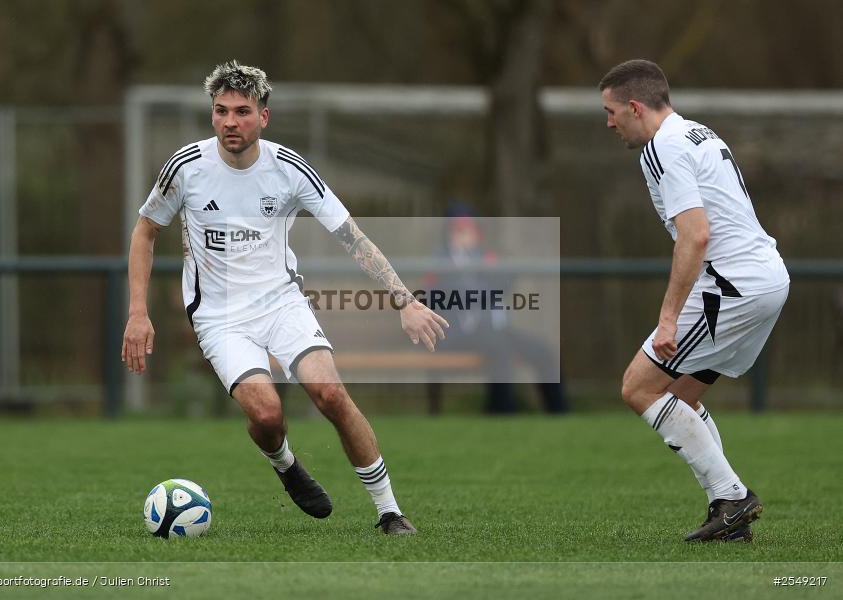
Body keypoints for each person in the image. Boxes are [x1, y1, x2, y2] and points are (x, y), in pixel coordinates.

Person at [122, 61, 448, 535]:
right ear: (211, 115)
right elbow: (146, 230)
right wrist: (138, 312)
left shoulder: (289, 169)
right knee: (268, 414)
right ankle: (285, 462)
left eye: (241, 111)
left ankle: (389, 510)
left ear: (263, 116)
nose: (230, 122)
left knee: (330, 394)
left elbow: (351, 236)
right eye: (220, 111)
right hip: (218, 316)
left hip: (281, 302)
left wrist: (405, 301)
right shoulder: (186, 168)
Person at [599, 59, 789, 542]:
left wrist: (668, 319)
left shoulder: (661, 147)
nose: (609, 122)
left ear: (635, 107)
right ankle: (727, 511)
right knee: (679, 397)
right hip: (766, 276)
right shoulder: (698, 132)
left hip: (733, 285)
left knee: (638, 387)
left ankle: (733, 497)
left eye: (611, 111)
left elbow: (695, 235)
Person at [428, 204, 567, 414]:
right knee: (500, 348)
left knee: (542, 350)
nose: (466, 234)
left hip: (495, 331)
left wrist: (485, 270)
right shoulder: (440, 260)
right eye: (459, 230)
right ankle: (502, 411)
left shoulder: (485, 257)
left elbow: (507, 281)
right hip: (457, 334)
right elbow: (445, 294)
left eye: (470, 229)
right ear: (449, 233)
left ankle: (560, 413)